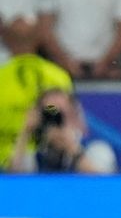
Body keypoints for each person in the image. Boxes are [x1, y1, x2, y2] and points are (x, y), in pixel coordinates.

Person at [0, 13, 73, 171]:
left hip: (46, 151)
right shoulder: (58, 75)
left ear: (4, 36)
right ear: (39, 37)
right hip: (20, 159)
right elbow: (69, 118)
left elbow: (65, 117)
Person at [38, 0, 121, 79]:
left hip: (107, 68)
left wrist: (105, 63)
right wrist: (64, 61)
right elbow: (44, 28)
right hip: (60, 67)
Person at [10, 89, 116, 174]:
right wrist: (25, 132)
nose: (56, 122)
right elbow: (13, 183)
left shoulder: (96, 150)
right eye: (50, 115)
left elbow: (104, 185)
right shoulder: (35, 158)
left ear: (74, 116)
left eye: (61, 114)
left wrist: (73, 149)